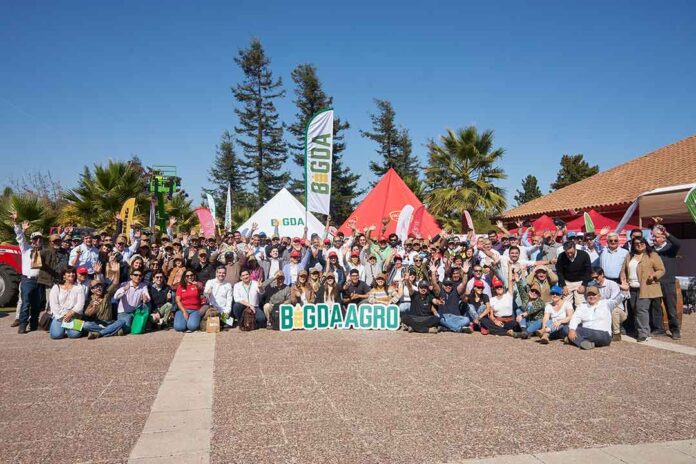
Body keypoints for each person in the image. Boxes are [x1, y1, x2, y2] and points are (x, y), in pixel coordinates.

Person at [620, 237, 665, 342]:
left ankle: (643, 333)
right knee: (635, 310)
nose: (639, 245)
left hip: (646, 287)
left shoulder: (652, 255)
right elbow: (623, 270)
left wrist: (654, 275)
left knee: (641, 310)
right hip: (632, 287)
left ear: (645, 244)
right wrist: (623, 279)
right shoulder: (629, 256)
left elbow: (661, 269)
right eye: (636, 243)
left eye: (641, 243)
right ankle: (643, 330)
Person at [568, 283, 629, 349]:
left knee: (574, 331)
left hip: (603, 335)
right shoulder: (582, 306)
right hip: (587, 331)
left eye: (594, 294)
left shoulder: (606, 303)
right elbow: (575, 318)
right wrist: (572, 329)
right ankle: (583, 342)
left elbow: (616, 300)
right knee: (567, 328)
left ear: (599, 296)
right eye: (589, 295)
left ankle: (573, 340)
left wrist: (624, 291)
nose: (591, 297)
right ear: (586, 296)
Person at [12, 213, 44, 334]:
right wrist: (17, 224)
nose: (38, 241)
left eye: (40, 239)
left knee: (36, 304)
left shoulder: (43, 252)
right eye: (36, 239)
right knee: (25, 303)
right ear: (32, 240)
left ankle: (34, 324)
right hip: (27, 280)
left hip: (38, 280)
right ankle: (22, 325)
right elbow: (20, 237)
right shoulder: (25, 248)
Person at [83, 258, 128, 339]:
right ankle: (113, 331)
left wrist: (116, 272)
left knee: (122, 321)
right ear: (92, 290)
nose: (98, 288)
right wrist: (94, 307)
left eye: (99, 286)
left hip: (109, 322)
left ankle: (99, 333)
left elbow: (115, 283)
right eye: (95, 287)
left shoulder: (107, 294)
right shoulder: (90, 299)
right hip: (97, 323)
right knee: (86, 325)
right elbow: (87, 314)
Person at [651, 222, 681, 339]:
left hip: (668, 282)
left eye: (657, 236)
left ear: (663, 238)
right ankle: (659, 329)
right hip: (655, 282)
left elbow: (678, 243)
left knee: (671, 307)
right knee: (656, 307)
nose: (654, 238)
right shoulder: (651, 250)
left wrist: (667, 233)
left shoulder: (670, 248)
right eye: (653, 236)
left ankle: (675, 330)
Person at [430, 263, 471, 333]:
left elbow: (464, 283)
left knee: (467, 319)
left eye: (450, 285)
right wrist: (433, 272)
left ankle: (447, 327)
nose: (448, 286)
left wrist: (465, 273)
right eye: (446, 284)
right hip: (444, 316)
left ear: (452, 285)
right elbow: (434, 284)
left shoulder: (456, 291)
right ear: (443, 285)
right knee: (437, 317)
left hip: (456, 317)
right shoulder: (440, 292)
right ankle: (457, 329)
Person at [47, 267, 85, 339]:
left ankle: (67, 329)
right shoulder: (56, 287)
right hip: (60, 316)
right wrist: (64, 315)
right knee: (56, 335)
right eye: (68, 272)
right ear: (64, 275)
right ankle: (60, 328)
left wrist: (71, 313)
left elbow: (80, 304)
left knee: (75, 335)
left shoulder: (79, 287)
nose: (71, 274)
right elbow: (54, 304)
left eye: (73, 272)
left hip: (74, 315)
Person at [589, 267, 625, 341]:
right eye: (593, 278)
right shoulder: (594, 286)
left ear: (602, 275)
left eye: (596, 277)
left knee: (614, 311)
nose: (594, 280)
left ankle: (616, 334)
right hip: (603, 310)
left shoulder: (612, 284)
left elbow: (614, 302)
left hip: (618, 311)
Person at [113, 267, 151, 333]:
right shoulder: (124, 284)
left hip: (135, 312)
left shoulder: (143, 286)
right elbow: (116, 297)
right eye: (135, 275)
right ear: (131, 276)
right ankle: (113, 327)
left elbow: (147, 296)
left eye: (140, 275)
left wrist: (146, 298)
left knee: (133, 328)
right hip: (124, 312)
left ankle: (118, 328)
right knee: (127, 328)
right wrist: (124, 289)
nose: (138, 277)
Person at [555, 241, 591, 307]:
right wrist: (563, 285)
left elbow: (588, 271)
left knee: (580, 304)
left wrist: (584, 284)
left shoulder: (584, 255)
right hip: (567, 282)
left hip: (580, 282)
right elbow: (559, 272)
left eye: (571, 252)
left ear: (575, 248)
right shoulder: (561, 256)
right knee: (566, 304)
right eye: (567, 253)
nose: (570, 254)